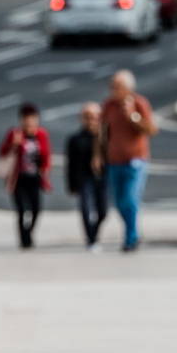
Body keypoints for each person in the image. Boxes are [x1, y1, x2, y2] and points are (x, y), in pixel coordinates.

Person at [101, 70, 157, 252]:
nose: (113, 90)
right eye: (112, 86)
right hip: (114, 161)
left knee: (130, 199)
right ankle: (132, 233)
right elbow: (103, 131)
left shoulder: (139, 103)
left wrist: (133, 116)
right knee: (118, 202)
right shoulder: (108, 105)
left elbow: (151, 130)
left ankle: (130, 237)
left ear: (127, 88)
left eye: (117, 87)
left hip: (135, 160)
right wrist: (99, 153)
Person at [0, 102, 52, 249]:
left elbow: (46, 155)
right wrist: (14, 145)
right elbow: (2, 152)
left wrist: (45, 170)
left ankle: (28, 232)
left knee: (36, 208)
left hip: (34, 177)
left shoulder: (41, 134)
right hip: (19, 178)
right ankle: (23, 239)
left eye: (32, 118)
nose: (29, 121)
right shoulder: (15, 134)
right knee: (21, 209)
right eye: (26, 118)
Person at [67, 102, 107, 251]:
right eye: (87, 117)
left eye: (95, 117)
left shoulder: (105, 136)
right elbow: (70, 164)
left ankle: (94, 234)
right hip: (84, 179)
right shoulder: (76, 139)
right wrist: (71, 185)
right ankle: (90, 239)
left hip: (102, 178)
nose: (91, 121)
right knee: (86, 209)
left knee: (102, 211)